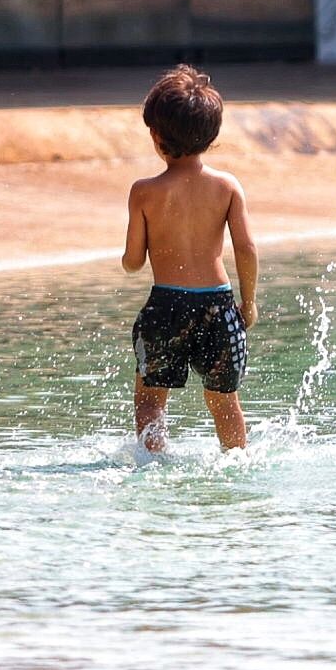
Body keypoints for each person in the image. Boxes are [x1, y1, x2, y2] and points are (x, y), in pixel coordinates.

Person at [123, 65, 260, 453]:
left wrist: (129, 260)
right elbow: (247, 249)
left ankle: (155, 464)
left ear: (155, 135)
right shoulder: (227, 186)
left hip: (166, 306)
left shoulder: (144, 192)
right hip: (218, 306)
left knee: (151, 400)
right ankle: (235, 462)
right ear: (211, 135)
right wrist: (247, 304)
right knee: (224, 401)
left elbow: (134, 261)